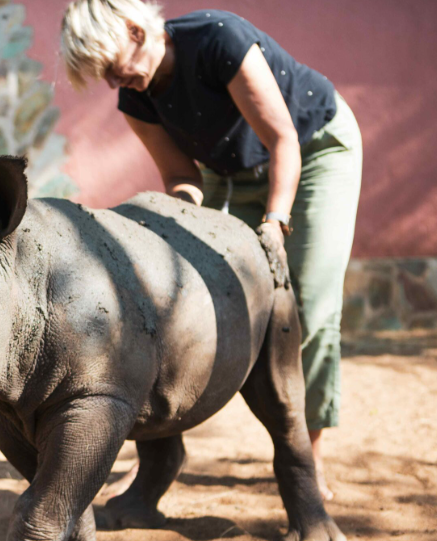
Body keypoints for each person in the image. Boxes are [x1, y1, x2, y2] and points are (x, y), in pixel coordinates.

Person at [61, 0, 362, 501]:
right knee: (179, 307)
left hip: (313, 152)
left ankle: (307, 459)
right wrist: (174, 222)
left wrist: (274, 223)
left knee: (304, 304)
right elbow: (182, 177)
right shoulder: (137, 100)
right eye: (105, 78)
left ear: (138, 31)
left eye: (114, 69)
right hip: (234, 173)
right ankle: (159, 459)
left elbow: (283, 138)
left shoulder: (219, 39)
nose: (115, 83)